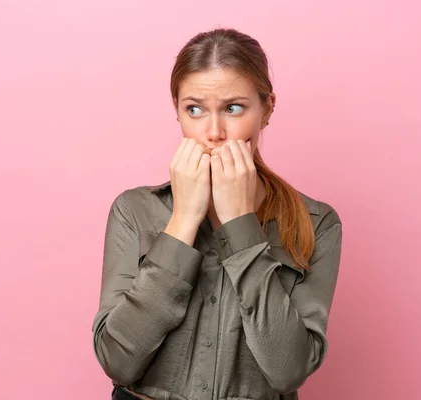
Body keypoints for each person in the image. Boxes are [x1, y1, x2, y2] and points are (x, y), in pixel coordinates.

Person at [91, 28, 343, 400]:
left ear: (267, 109)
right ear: (177, 111)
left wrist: (241, 225)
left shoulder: (317, 223)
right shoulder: (134, 211)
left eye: (233, 108)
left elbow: (288, 371)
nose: (213, 132)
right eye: (194, 109)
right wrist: (182, 222)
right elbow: (117, 361)